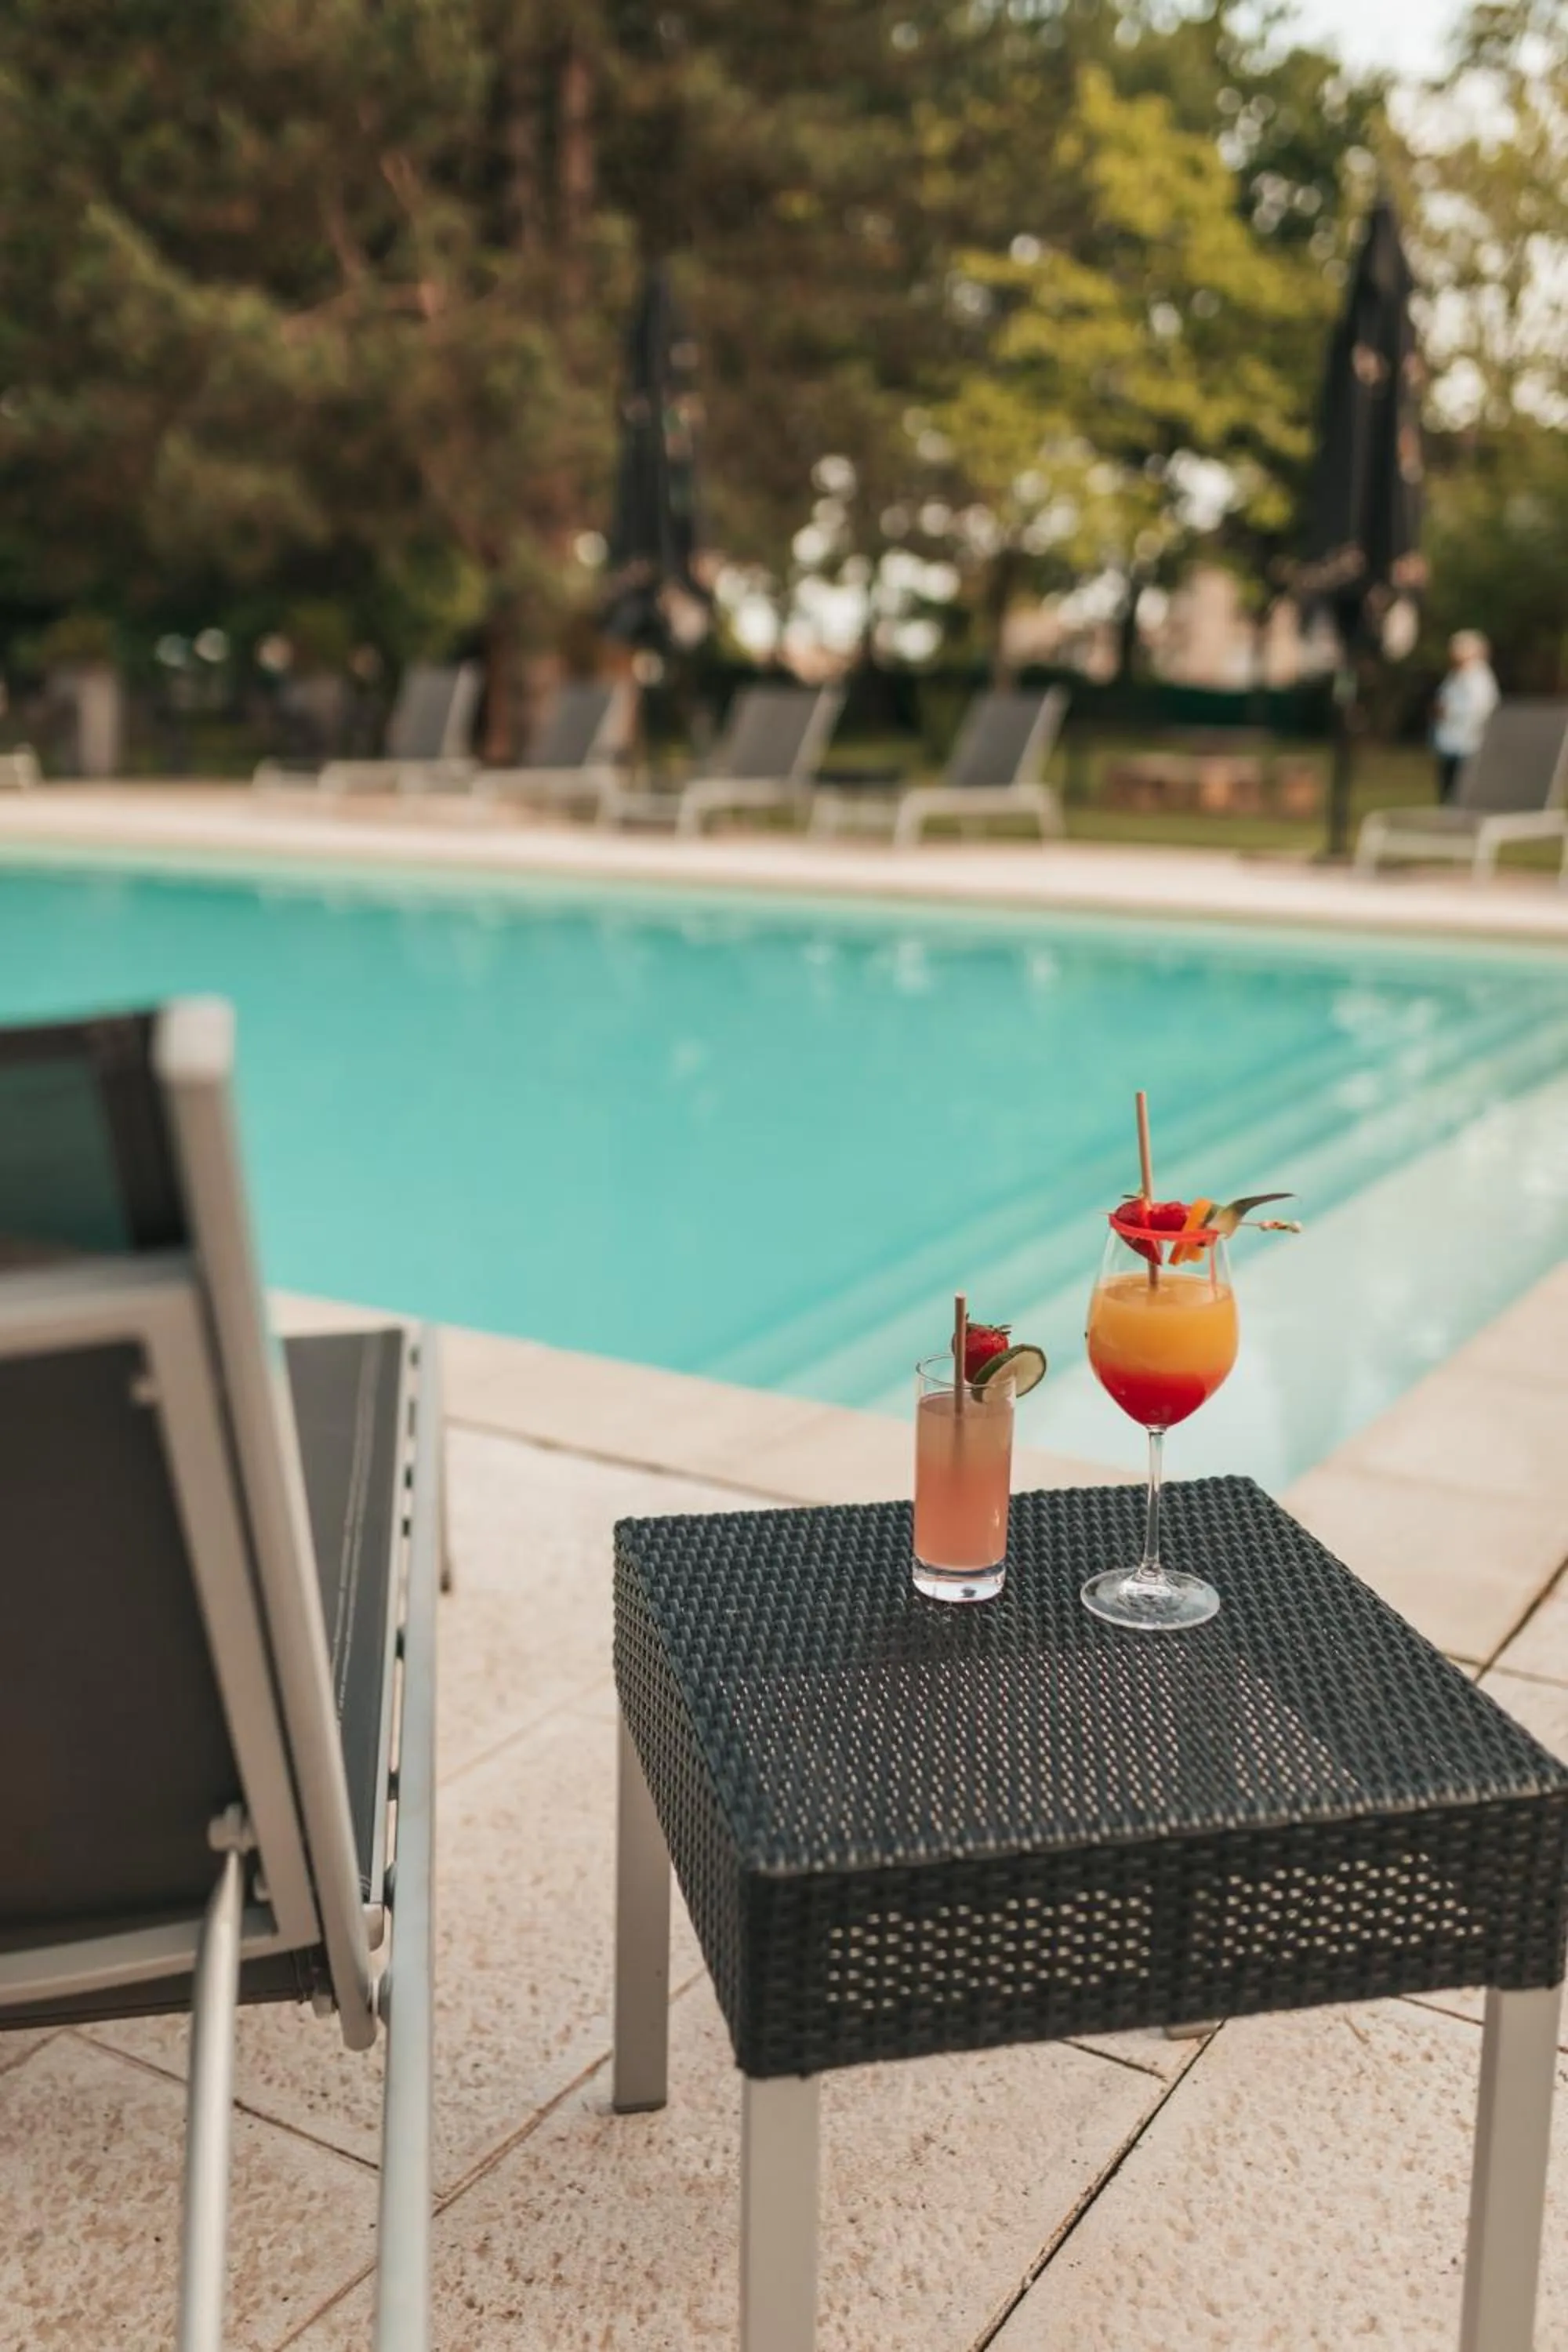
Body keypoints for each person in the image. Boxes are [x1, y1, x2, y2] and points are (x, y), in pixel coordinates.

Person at [1432, 630, 1499, 803]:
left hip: (1468, 745)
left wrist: (1449, 711)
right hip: (1450, 744)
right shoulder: (1455, 675)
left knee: (1462, 790)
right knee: (1448, 791)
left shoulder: (1479, 677)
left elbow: (1480, 708)